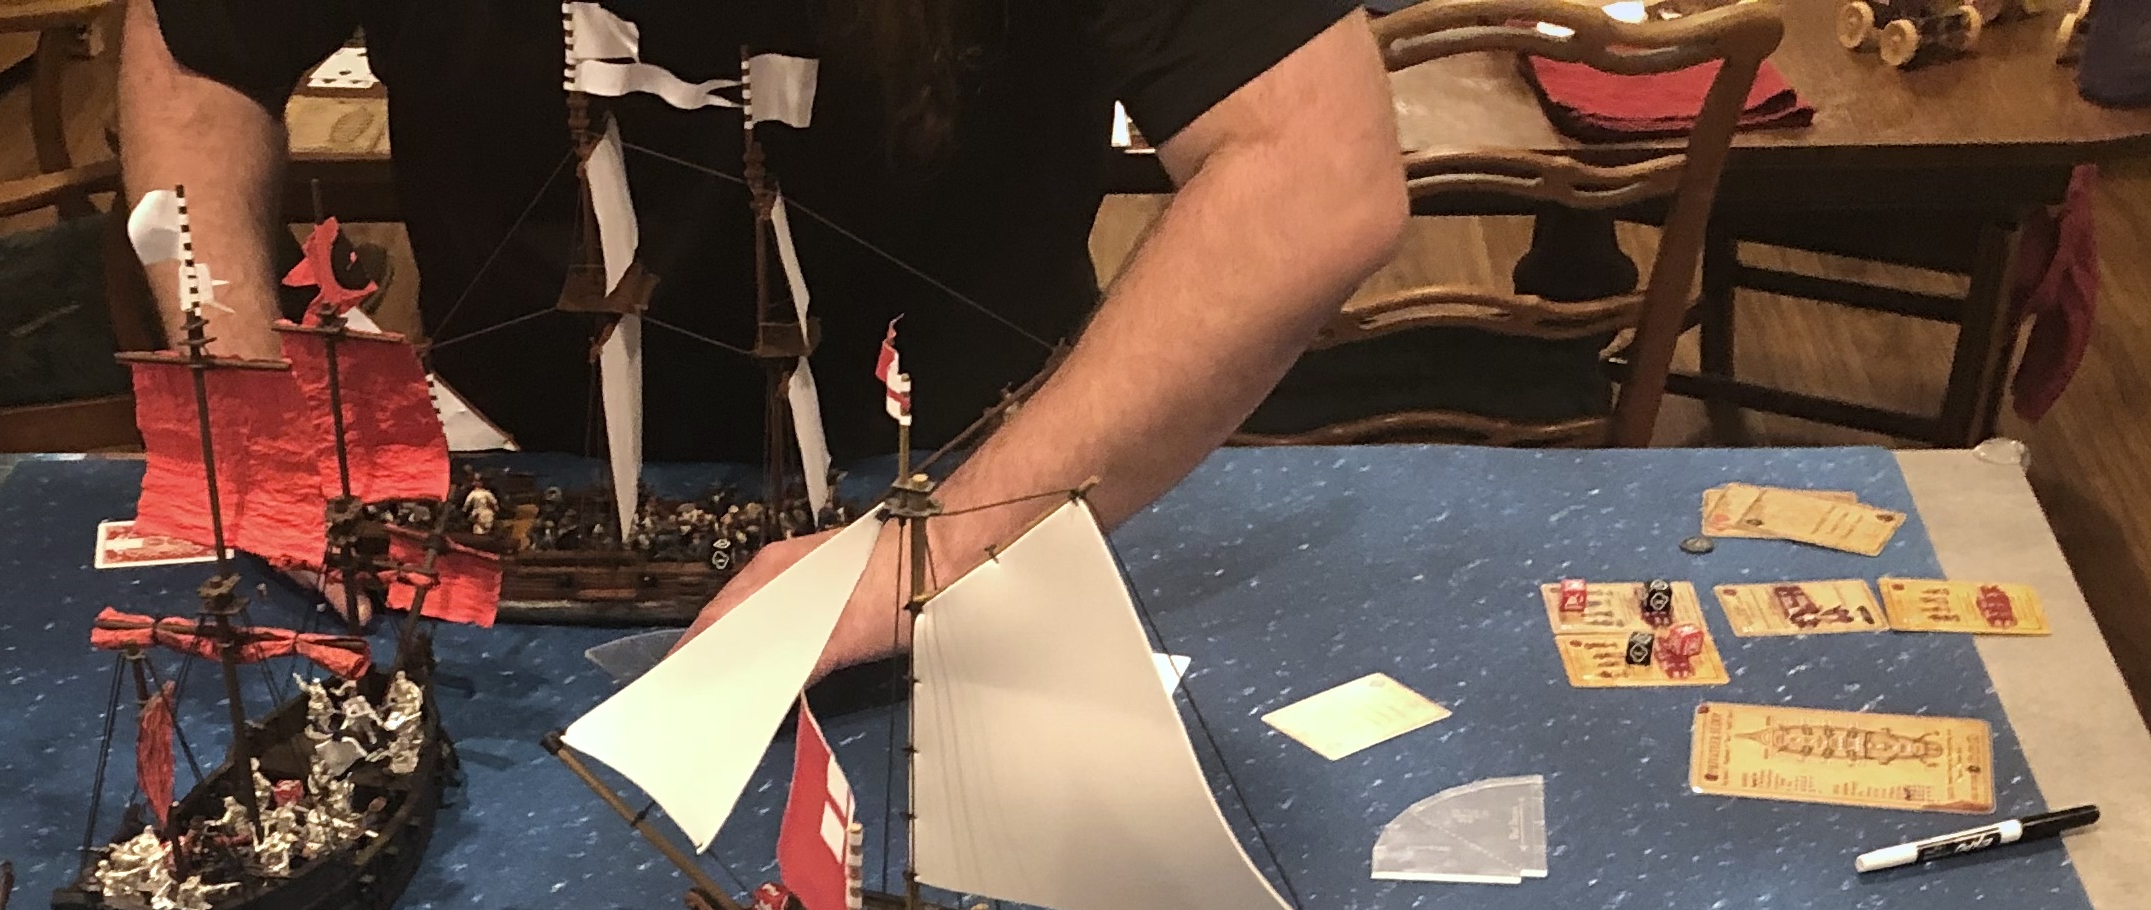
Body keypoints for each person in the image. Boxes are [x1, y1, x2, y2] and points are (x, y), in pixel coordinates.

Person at [123, 0, 1410, 673]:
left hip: (979, 486)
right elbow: (195, 55)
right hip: (485, 500)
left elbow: (1315, 170)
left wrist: (938, 548)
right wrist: (248, 412)